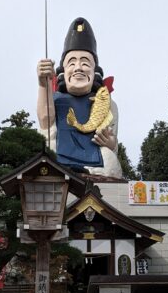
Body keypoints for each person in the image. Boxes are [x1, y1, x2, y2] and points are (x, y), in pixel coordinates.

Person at [36, 17, 122, 179]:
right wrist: (43, 84)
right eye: (72, 63)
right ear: (63, 71)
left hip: (94, 157)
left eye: (85, 63)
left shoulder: (107, 103)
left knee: (110, 160)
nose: (78, 68)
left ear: (94, 71)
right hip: (61, 151)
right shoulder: (55, 99)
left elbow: (112, 144)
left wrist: (110, 143)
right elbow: (45, 123)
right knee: (48, 150)